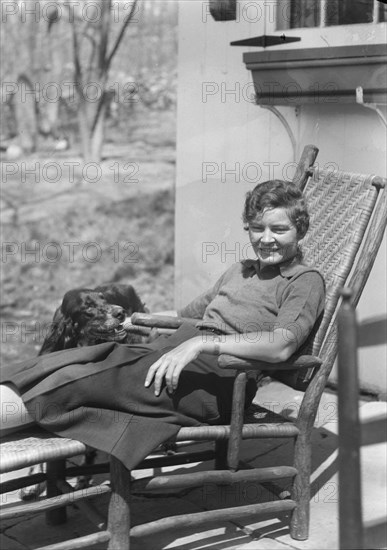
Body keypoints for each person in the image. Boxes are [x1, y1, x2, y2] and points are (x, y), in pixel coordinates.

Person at [0, 180, 325, 470]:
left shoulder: (304, 281)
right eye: (257, 228)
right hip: (173, 356)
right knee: (66, 359)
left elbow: (281, 345)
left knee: (81, 378)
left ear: (301, 229)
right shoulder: (241, 270)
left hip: (222, 376)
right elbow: (184, 313)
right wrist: (131, 319)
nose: (266, 239)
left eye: (278, 229)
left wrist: (199, 343)